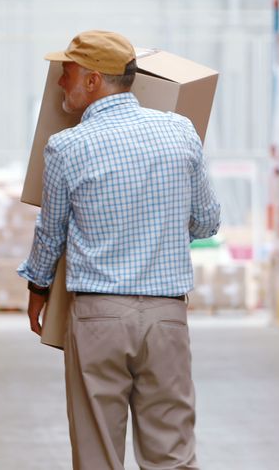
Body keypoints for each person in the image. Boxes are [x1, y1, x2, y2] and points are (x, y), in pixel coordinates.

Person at [17, 30, 221, 470]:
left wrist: (37, 289)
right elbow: (207, 221)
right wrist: (156, 228)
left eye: (66, 73)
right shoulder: (179, 131)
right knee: (172, 453)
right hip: (167, 318)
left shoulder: (67, 146)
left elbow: (50, 235)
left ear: (93, 80)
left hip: (99, 318)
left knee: (98, 455)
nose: (59, 84)